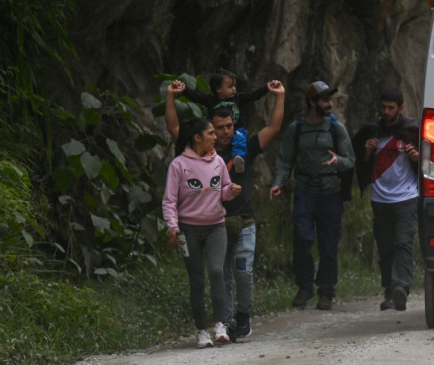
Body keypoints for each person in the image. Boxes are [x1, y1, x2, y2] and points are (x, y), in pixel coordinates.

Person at [166, 78, 286, 340]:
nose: (225, 132)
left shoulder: (244, 146)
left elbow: (274, 127)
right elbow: (174, 127)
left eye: (230, 126)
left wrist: (279, 96)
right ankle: (227, 322)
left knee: (242, 271)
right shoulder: (197, 152)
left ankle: (242, 314)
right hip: (215, 223)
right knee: (222, 275)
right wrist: (171, 97)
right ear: (210, 129)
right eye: (219, 128)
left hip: (243, 220)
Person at [269, 80, 355, 311]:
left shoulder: (337, 129)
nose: (329, 104)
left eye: (330, 99)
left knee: (328, 244)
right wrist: (278, 183)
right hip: (305, 192)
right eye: (324, 99)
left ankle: (326, 291)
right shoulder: (296, 130)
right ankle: (304, 287)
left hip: (330, 193)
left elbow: (350, 161)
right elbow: (285, 160)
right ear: (312, 103)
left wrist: (338, 162)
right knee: (302, 238)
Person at [161, 117, 241, 348]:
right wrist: (172, 226)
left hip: (217, 226)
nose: (216, 137)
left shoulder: (217, 161)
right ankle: (201, 331)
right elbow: (169, 200)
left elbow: (223, 190)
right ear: (197, 138)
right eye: (211, 133)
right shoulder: (179, 165)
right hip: (188, 230)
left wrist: (231, 191)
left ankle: (220, 325)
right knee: (196, 281)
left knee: (217, 271)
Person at [352, 88, 420, 311]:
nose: (386, 112)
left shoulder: (412, 131)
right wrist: (367, 152)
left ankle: (401, 286)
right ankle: (389, 292)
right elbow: (360, 166)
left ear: (401, 108)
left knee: (403, 242)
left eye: (391, 108)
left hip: (407, 196)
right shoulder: (372, 131)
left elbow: (430, 163)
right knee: (385, 247)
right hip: (380, 198)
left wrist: (418, 158)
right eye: (383, 107)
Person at [182, 69, 269, 172]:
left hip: (236, 130)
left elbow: (253, 95)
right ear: (218, 89)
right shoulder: (211, 100)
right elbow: (196, 96)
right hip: (215, 133)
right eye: (230, 87)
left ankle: (239, 159)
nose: (234, 89)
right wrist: (184, 89)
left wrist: (266, 88)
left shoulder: (238, 98)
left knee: (240, 138)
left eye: (234, 86)